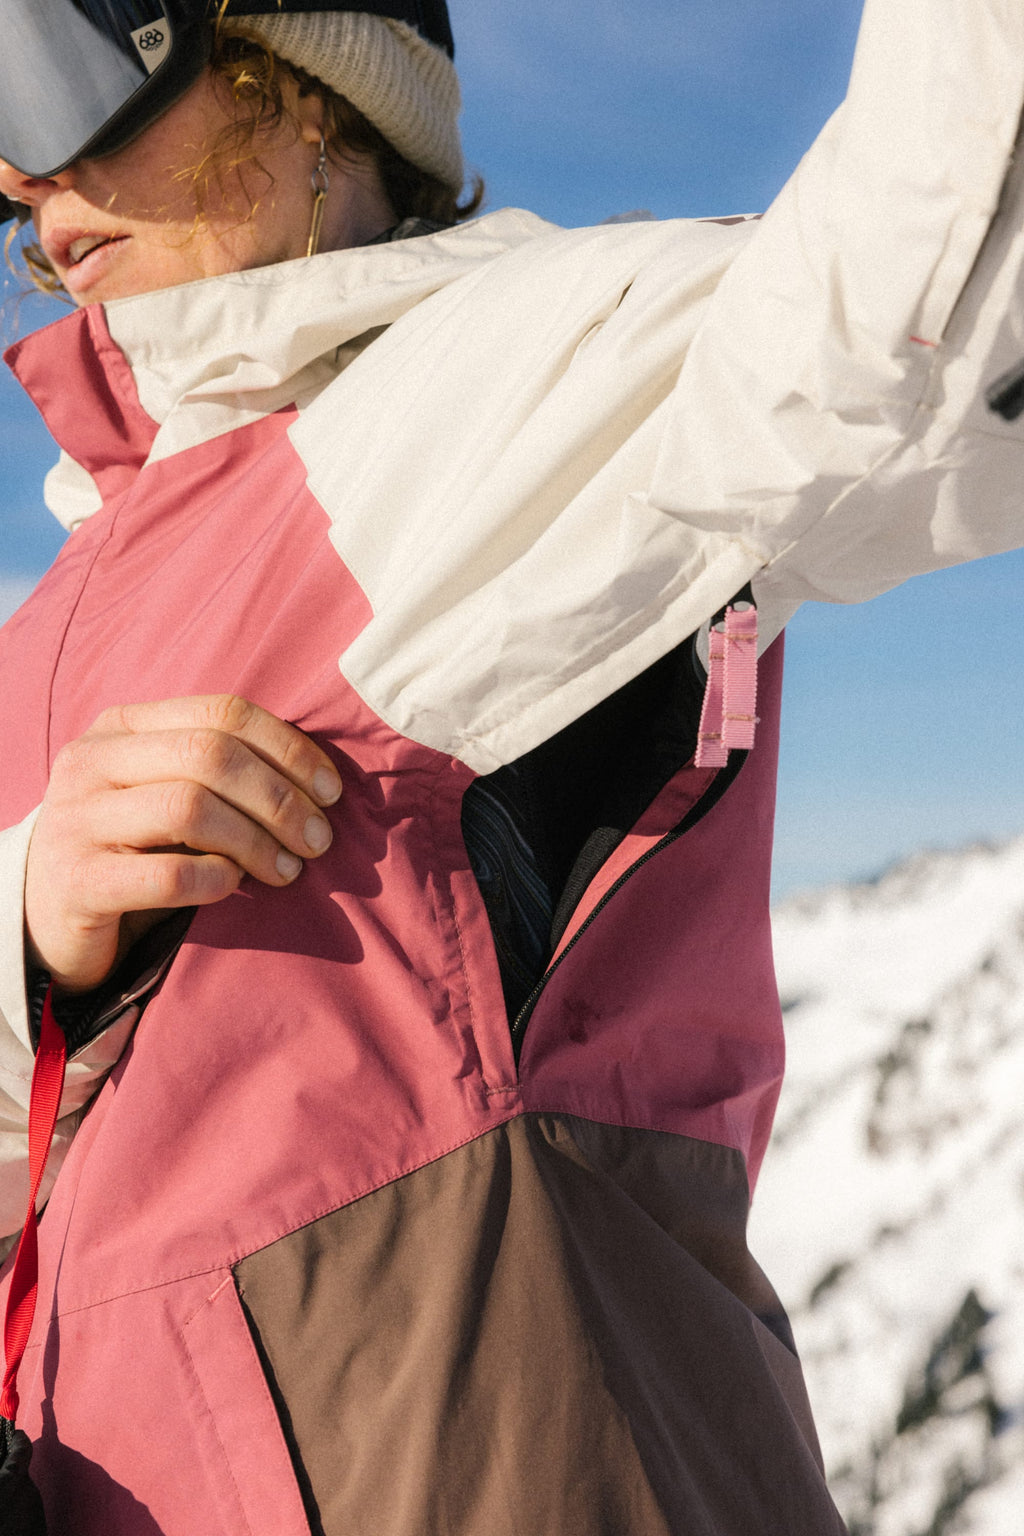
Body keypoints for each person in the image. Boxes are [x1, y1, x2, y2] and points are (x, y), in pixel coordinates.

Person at [0, 1, 1023, 1531]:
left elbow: (915, 316)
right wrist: (28, 922)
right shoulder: (72, 589)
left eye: (54, 70)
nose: (24, 182)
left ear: (316, 88)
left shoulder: (492, 389)